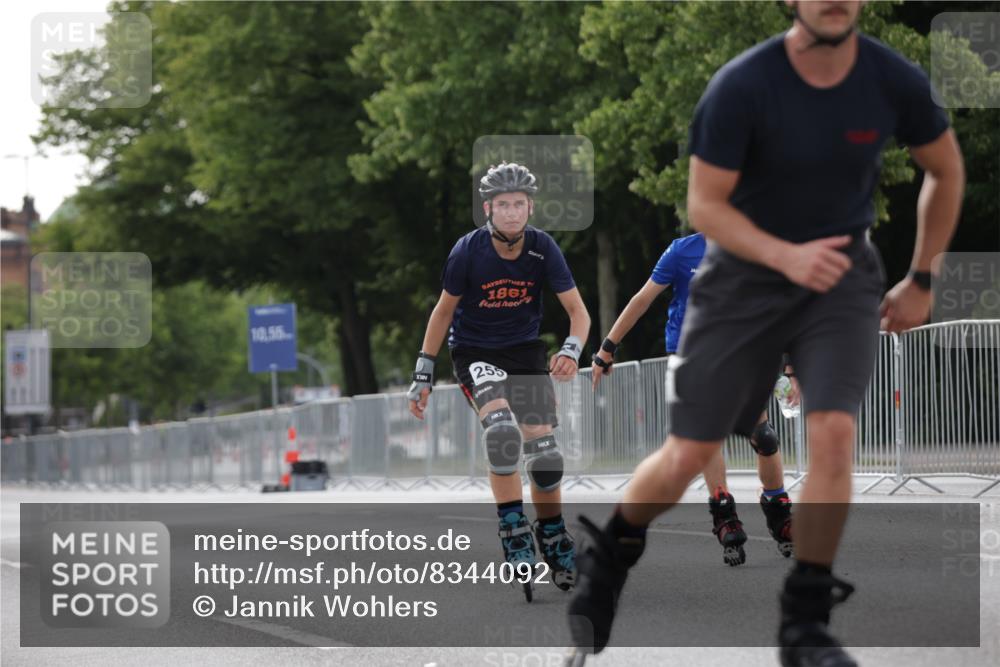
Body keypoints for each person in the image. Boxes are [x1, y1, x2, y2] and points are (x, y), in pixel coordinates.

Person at [568, 1, 964, 665]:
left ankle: (805, 621)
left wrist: (922, 277)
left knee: (833, 428)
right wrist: (784, 257)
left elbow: (946, 170)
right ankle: (611, 554)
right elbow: (705, 205)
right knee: (691, 451)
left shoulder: (891, 78)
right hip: (743, 282)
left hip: (839, 275)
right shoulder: (744, 84)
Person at [407, 161, 592, 600]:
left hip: (525, 354)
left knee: (545, 456)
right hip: (475, 353)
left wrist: (570, 349)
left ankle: (552, 534)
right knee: (504, 435)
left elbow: (578, 312)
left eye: (519, 204)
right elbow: (443, 311)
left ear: (530, 206)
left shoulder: (544, 248)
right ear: (488, 208)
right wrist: (423, 370)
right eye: (503, 205)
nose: (511, 212)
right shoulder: (467, 251)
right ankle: (513, 528)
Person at [591, 230, 797, 566]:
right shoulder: (682, 251)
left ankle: (778, 510)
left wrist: (789, 366)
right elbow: (642, 299)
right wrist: (607, 348)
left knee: (764, 436)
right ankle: (723, 510)